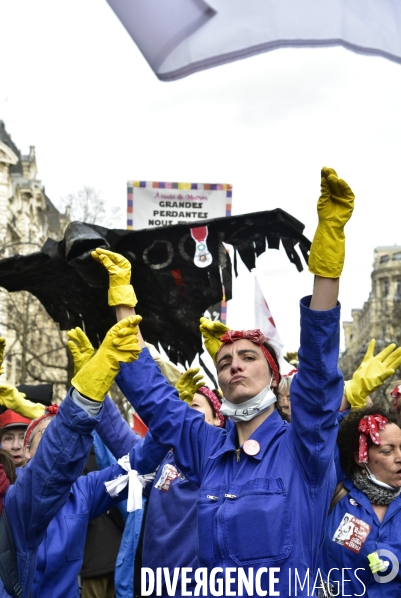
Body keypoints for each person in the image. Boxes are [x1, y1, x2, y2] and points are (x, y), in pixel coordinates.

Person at [92, 166, 354, 596]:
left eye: (249, 357)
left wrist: (326, 268)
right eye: (226, 360)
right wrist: (124, 300)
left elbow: (321, 375)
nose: (234, 365)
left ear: (274, 375)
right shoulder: (207, 447)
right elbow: (156, 401)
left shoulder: (303, 448)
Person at [0, 316, 142, 598]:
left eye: (58, 433)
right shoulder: (17, 496)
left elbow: (138, 464)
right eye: (46, 435)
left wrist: (168, 424)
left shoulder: (82, 492)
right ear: (28, 451)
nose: (56, 440)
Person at [318, 406, 401, 596]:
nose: (400, 458)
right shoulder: (335, 491)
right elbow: (321, 434)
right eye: (387, 451)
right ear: (360, 458)